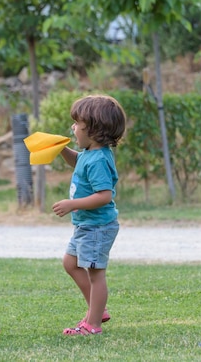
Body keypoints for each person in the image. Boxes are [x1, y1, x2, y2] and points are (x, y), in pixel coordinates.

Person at [51, 94, 127, 336]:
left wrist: (73, 204)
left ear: (93, 130)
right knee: (70, 263)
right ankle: (98, 308)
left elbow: (104, 195)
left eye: (77, 123)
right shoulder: (89, 154)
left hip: (97, 226)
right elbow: (78, 162)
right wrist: (62, 149)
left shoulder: (99, 159)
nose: (73, 127)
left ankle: (93, 324)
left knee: (95, 273)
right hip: (87, 225)